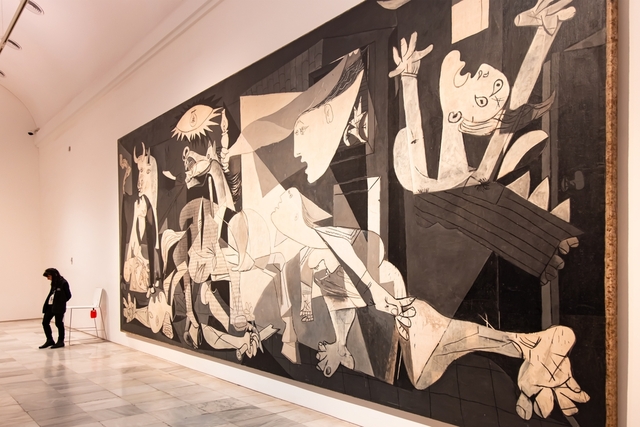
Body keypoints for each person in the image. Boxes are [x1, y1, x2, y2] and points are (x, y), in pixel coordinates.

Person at [40, 268, 72, 349]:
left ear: (54, 275)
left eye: (48, 276)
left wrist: (60, 302)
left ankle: (60, 341)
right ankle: (49, 340)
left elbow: (68, 295)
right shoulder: (53, 283)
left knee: (59, 323)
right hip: (50, 306)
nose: (48, 278)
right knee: (45, 322)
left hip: (59, 307)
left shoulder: (63, 282)